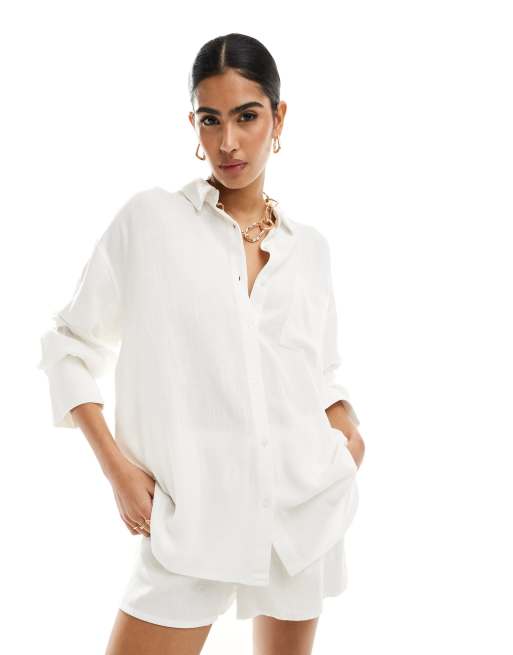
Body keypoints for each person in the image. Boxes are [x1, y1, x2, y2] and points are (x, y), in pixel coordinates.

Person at [38, 32, 365, 655]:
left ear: (279, 118)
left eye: (247, 116)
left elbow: (316, 371)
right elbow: (68, 345)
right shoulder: (151, 222)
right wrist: (117, 470)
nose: (228, 142)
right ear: (193, 124)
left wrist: (347, 431)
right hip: (192, 518)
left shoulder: (310, 249)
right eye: (211, 120)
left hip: (303, 511)